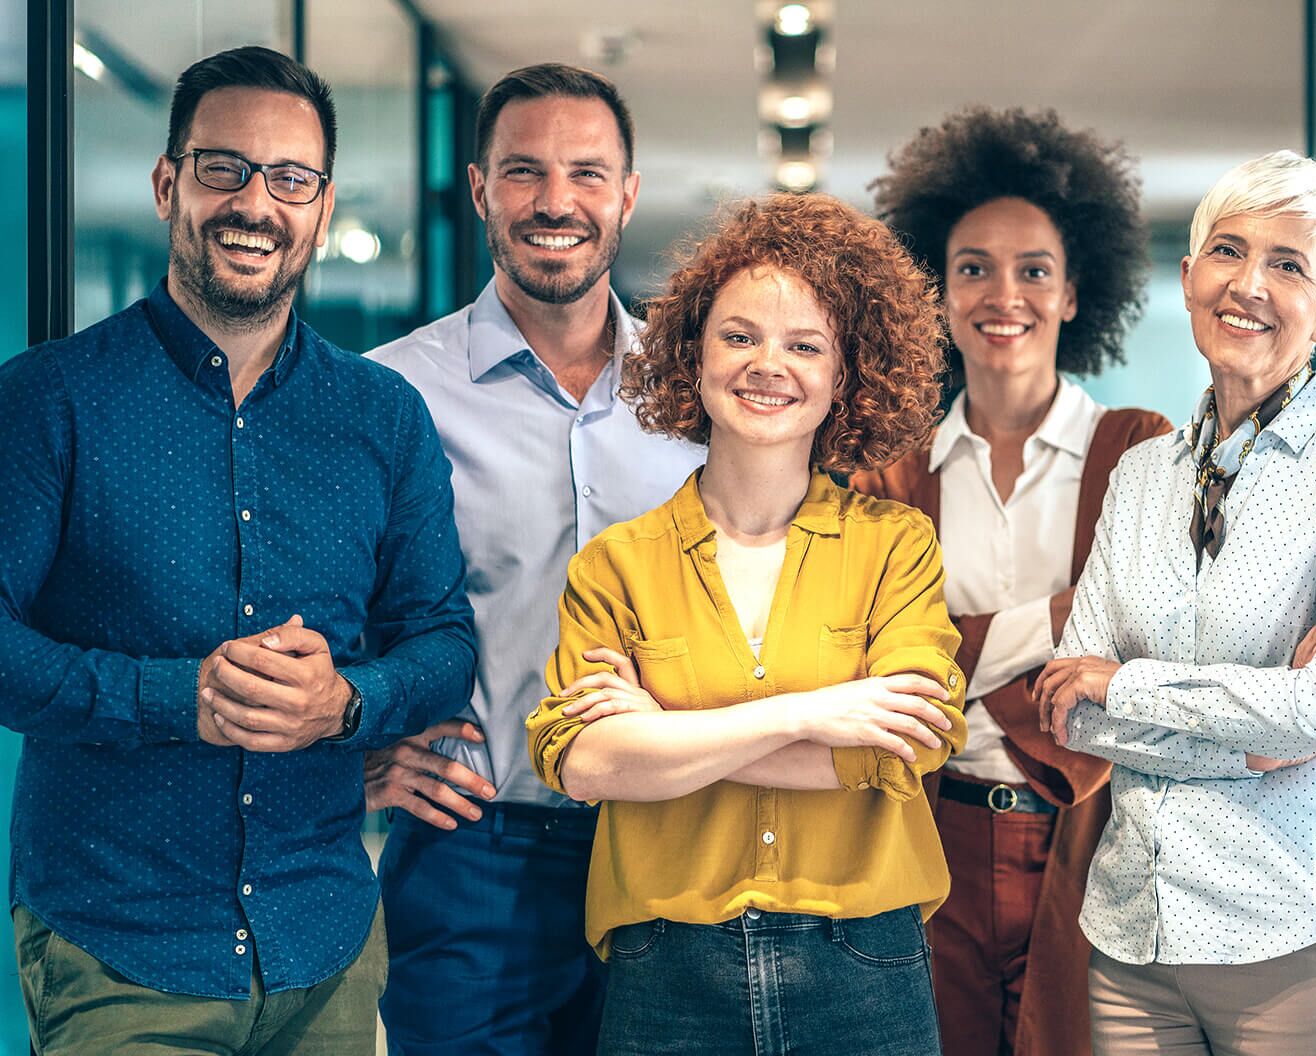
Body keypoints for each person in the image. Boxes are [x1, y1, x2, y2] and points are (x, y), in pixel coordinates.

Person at [0, 46, 476, 1054]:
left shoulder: (383, 417)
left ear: (322, 202)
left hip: (327, 947)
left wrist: (344, 702)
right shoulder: (49, 399)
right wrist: (184, 701)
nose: (256, 203)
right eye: (225, 168)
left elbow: (440, 637)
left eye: (290, 178)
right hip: (119, 945)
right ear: (170, 182)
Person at [527, 192, 968, 1055]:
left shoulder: (896, 546)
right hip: (667, 971)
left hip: (863, 965)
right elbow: (585, 763)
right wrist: (807, 715)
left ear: (845, 378)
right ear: (692, 357)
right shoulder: (617, 564)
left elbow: (903, 742)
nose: (770, 364)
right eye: (739, 336)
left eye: (806, 345)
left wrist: (667, 740)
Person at [1037, 149, 1316, 1056]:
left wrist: (1122, 685)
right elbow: (1065, 711)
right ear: (1189, 276)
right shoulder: (1136, 476)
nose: (1249, 284)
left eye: (1289, 265)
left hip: (1300, 940)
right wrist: (1255, 738)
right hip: (1134, 945)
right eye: (1229, 251)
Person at [365, 64, 703, 1056]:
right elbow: (322, 602)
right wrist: (359, 758)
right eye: (524, 172)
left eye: (587, 173)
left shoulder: (698, 404)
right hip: (474, 854)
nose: (556, 201)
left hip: (667, 847)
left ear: (627, 195)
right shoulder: (393, 397)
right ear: (478, 189)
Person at [854, 107, 1168, 1056]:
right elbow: (870, 655)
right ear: (936, 294)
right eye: (973, 268)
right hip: (929, 841)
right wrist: (1068, 629)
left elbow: (1153, 632)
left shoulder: (1138, 451)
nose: (1005, 293)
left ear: (1073, 293)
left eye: (1034, 268)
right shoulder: (889, 470)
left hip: (1094, 840)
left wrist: (950, 649)